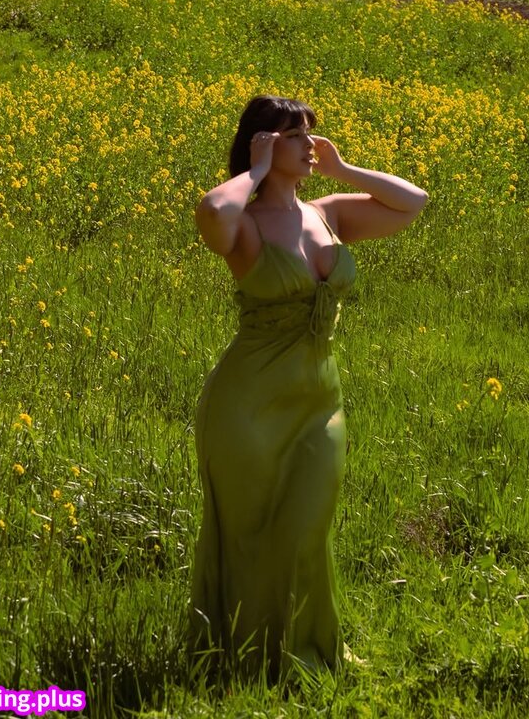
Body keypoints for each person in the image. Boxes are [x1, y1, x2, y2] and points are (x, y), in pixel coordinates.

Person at [190, 94, 428, 678]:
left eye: (308, 133)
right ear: (264, 143)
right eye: (293, 135)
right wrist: (256, 172)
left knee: (305, 529)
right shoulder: (244, 224)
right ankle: (247, 662)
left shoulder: (329, 214)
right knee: (249, 536)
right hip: (247, 408)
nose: (309, 145)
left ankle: (307, 654)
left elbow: (412, 202)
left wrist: (343, 169)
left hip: (320, 404)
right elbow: (212, 210)